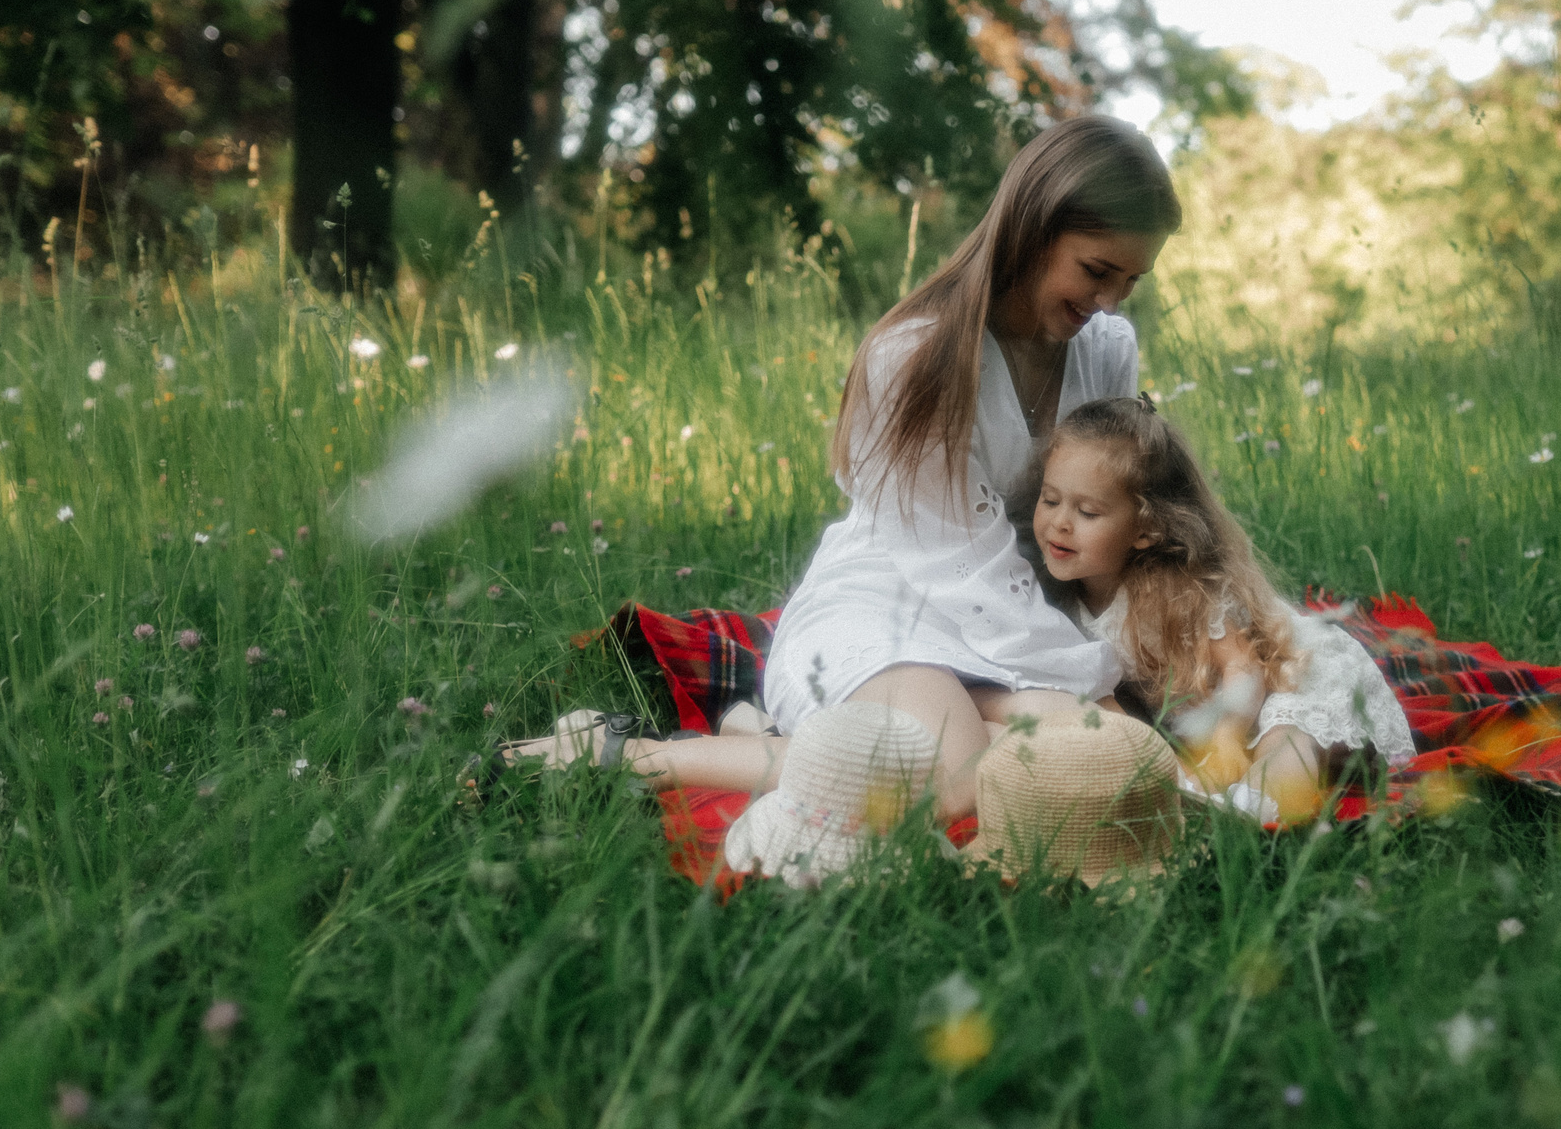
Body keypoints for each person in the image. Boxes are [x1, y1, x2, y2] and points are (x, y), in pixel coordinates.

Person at [500, 115, 1181, 817]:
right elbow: (960, 569)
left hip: (1022, 613)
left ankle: (762, 729)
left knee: (1084, 754)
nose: (1107, 301)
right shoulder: (915, 358)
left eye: (1130, 281)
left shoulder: (1106, 349)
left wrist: (1137, 648)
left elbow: (1108, 508)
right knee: (956, 778)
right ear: (1033, 227)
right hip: (895, 601)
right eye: (1096, 271)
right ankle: (638, 753)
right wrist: (1086, 683)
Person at [1026, 396, 1415, 819]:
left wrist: (1228, 734)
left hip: (1289, 674)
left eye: (1087, 511)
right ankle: (1225, 810)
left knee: (1287, 740)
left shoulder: (1173, 592)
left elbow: (1244, 664)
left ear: (1146, 530)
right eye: (1049, 500)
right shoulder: (1056, 599)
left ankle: (1255, 815)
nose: (1060, 522)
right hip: (1218, 715)